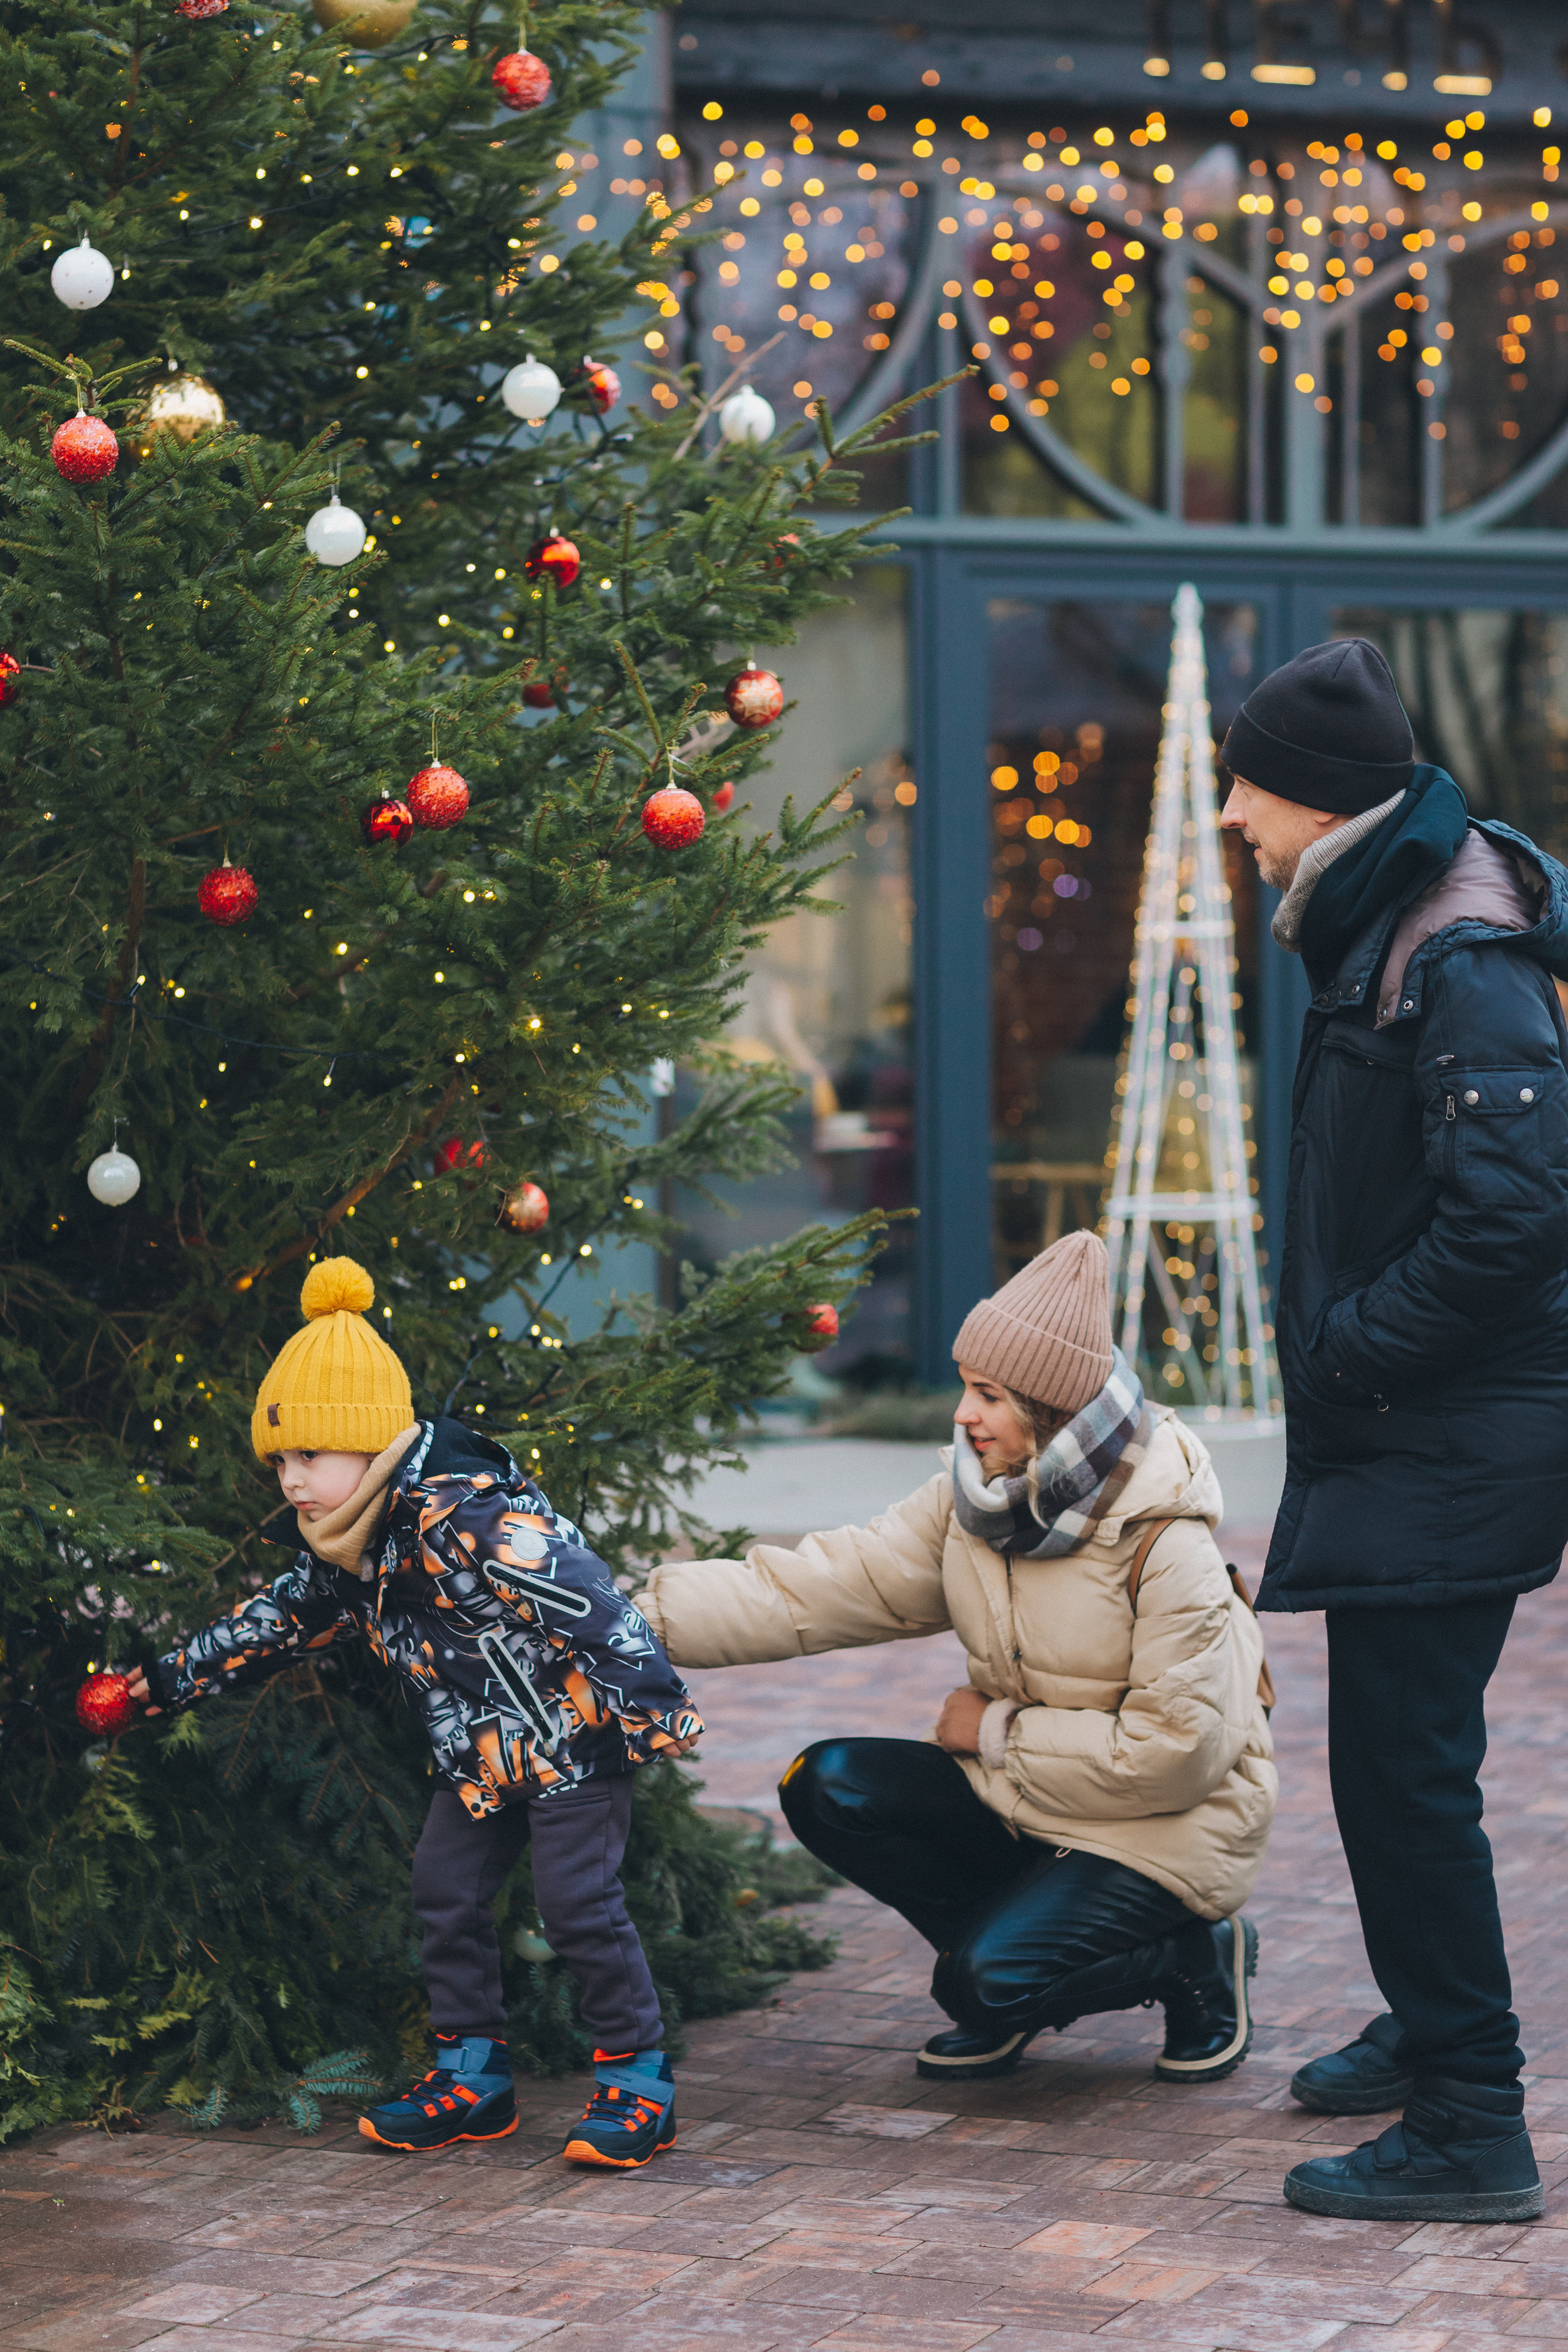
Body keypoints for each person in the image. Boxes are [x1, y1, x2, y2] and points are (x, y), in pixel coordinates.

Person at [1221, 636, 1568, 2224]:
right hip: (1424, 1421)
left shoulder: (1462, 949)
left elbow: (1513, 1222)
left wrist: (1353, 1352)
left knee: (1407, 1776)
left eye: (1251, 784)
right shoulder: (1389, 910)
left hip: (1450, 1421)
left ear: (1323, 799)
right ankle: (1432, 2030)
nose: (1232, 813)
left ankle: (1470, 2126)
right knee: (1393, 1769)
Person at [639, 1231, 1276, 2087]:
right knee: (824, 1781)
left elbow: (1173, 1760)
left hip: (1157, 1835)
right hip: (1030, 1801)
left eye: (988, 1395)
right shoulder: (979, 1500)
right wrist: (627, 1624)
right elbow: (821, 1587)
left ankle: (1194, 1956)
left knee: (980, 1985)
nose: (962, 1414)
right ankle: (1013, 1963)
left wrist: (998, 1730)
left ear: (1052, 1411)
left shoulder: (1164, 1544)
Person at [127, 1256, 702, 2168]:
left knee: (577, 1906)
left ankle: (639, 2082)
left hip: (571, 1742)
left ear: (370, 1443)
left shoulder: (473, 1518)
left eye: (308, 1454)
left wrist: (649, 1719)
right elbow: (273, 1622)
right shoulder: (346, 1548)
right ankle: (474, 2074)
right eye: (279, 1460)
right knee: (445, 1893)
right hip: (475, 1754)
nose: (290, 1479)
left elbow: (601, 1610)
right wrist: (169, 1678)